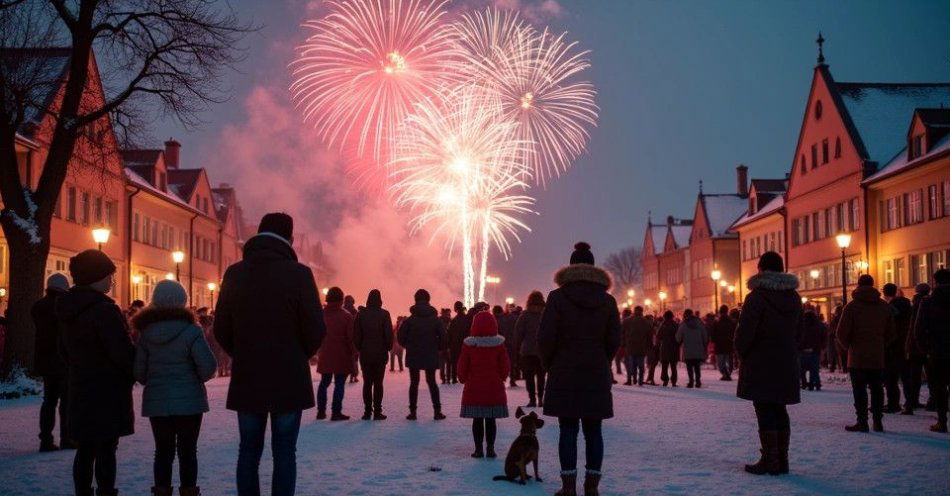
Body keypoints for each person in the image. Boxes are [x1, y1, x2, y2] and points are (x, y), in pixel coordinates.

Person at [213, 213, 326, 496]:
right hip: (289, 376)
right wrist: (298, 355)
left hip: (248, 376)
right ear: (290, 238)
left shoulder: (235, 273)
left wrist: (243, 353)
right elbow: (315, 328)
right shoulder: (300, 275)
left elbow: (221, 328)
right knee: (285, 450)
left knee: (248, 450)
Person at [538, 242, 620, 496]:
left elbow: (545, 337)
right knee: (594, 431)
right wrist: (602, 360)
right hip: (596, 371)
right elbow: (614, 339)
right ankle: (592, 487)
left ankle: (568, 486)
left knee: (568, 429)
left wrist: (551, 363)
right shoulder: (607, 301)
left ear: (571, 267)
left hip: (564, 370)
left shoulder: (557, 298)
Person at [57, 250, 135, 495]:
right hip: (107, 390)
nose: (112, 281)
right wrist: (132, 370)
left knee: (85, 449)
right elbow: (121, 352)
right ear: (96, 277)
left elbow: (62, 350)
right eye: (109, 276)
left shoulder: (67, 308)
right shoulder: (104, 310)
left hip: (80, 386)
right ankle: (105, 491)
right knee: (106, 449)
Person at [133, 280, 217, 496]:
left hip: (158, 401)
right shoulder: (192, 330)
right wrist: (194, 379)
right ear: (183, 301)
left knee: (163, 451)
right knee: (188, 450)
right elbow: (208, 367)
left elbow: (139, 373)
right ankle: (188, 491)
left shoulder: (146, 333)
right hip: (190, 401)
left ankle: (161, 491)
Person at [735, 252, 802, 476]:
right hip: (786, 361)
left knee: (764, 407)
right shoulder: (794, 297)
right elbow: (799, 331)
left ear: (761, 269)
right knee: (780, 408)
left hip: (760, 361)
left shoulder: (756, 297)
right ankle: (782, 460)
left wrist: (742, 352)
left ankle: (769, 460)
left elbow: (745, 332)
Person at [837, 274, 896, 433]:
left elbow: (841, 333)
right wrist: (881, 345)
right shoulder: (884, 306)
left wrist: (849, 347)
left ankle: (862, 422)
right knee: (877, 389)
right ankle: (878, 421)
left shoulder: (851, 307)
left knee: (859, 390)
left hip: (857, 357)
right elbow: (892, 332)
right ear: (873, 285)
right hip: (877, 356)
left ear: (858, 285)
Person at [459, 311, 511, 458]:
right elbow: (505, 366)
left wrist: (462, 378)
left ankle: (478, 449)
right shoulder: (499, 345)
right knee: (490, 420)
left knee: (477, 420)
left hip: (474, 388)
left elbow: (462, 366)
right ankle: (490, 448)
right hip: (494, 388)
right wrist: (502, 377)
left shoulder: (469, 345)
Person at [33, 272, 73, 452]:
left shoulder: (38, 306)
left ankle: (45, 439)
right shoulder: (64, 307)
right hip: (63, 361)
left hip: (45, 360)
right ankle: (67, 438)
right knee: (66, 402)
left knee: (49, 401)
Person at [398, 289, 447, 420]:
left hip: (413, 354)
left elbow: (400, 337)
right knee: (432, 382)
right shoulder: (435, 319)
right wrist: (438, 348)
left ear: (415, 300)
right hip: (431, 353)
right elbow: (443, 337)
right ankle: (437, 411)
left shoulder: (410, 320)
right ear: (428, 300)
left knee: (414, 383)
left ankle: (413, 412)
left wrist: (408, 345)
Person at [915, 269, 950, 433]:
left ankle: (942, 422)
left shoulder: (928, 302)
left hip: (937, 351)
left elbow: (919, 329)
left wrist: (925, 349)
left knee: (940, 387)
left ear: (935, 282)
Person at [316, 287, 356, 421]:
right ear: (341, 299)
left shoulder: (321, 315)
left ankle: (321, 411)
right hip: (342, 355)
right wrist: (354, 353)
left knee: (324, 382)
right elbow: (351, 338)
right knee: (339, 384)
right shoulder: (346, 316)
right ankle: (336, 412)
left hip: (325, 354)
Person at [353, 289, 394, 420]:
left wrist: (361, 347)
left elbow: (356, 335)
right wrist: (388, 347)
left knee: (367, 383)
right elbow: (389, 335)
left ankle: (367, 412)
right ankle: (377, 411)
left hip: (365, 354)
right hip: (380, 354)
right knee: (378, 383)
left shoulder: (361, 314)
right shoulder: (384, 314)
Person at [881, 283, 912, 413]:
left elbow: (887, 328)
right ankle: (910, 404)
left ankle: (893, 403)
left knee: (891, 378)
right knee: (906, 377)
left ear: (884, 293)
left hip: (893, 346)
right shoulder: (908, 305)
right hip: (906, 345)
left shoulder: (889, 308)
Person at [903, 283, 931, 414]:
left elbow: (912, 327)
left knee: (914, 376)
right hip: (928, 345)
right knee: (931, 375)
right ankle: (933, 400)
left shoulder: (914, 305)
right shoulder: (930, 304)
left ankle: (911, 401)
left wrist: (908, 345)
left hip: (914, 346)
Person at [514, 291, 546, 407]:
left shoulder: (525, 315)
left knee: (529, 377)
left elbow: (518, 332)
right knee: (541, 376)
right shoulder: (546, 314)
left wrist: (517, 347)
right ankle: (541, 398)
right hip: (543, 351)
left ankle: (532, 399)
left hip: (527, 351)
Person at [676, 309, 708, 388]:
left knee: (689, 366)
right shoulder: (700, 323)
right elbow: (705, 336)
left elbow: (678, 337)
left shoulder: (683, 324)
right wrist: (704, 344)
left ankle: (691, 381)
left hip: (688, 349)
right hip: (698, 348)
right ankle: (698, 381)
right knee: (697, 366)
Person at [622, 306, 652, 386]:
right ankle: (640, 380)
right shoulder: (646, 322)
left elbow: (622, 332)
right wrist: (649, 345)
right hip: (642, 346)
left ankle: (632, 378)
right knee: (641, 364)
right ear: (642, 311)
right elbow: (649, 335)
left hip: (630, 345)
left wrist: (623, 342)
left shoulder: (627, 320)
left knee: (632, 363)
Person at [798, 310, 824, 391]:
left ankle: (804, 383)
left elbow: (798, 337)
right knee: (814, 369)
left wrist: (799, 347)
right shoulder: (819, 325)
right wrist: (821, 347)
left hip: (803, 350)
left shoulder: (801, 325)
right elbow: (823, 337)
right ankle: (814, 384)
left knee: (802, 369)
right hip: (815, 350)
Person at [711, 305, 736, 381]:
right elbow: (735, 333)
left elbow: (713, 335)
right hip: (729, 345)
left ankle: (725, 373)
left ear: (720, 311)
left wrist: (714, 340)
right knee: (729, 360)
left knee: (721, 362)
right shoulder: (732, 322)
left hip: (719, 346)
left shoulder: (716, 322)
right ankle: (728, 373)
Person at [446, 302, 468, 384]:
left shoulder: (454, 320)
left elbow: (449, 334)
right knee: (464, 362)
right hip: (465, 344)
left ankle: (454, 378)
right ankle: (464, 377)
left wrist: (448, 345)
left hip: (454, 345)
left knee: (454, 363)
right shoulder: (467, 319)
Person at [657, 311, 680, 387]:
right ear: (672, 316)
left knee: (664, 365)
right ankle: (674, 381)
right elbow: (679, 337)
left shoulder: (663, 325)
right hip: (674, 347)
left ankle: (665, 380)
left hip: (665, 347)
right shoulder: (676, 325)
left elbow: (658, 336)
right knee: (673, 366)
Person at [439, 308, 453, 384]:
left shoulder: (438, 321)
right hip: (448, 346)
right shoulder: (450, 321)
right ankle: (447, 378)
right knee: (448, 363)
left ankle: (443, 378)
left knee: (442, 363)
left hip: (441, 346)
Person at [645, 314, 659, 385]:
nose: (652, 321)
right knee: (652, 363)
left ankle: (649, 378)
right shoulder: (650, 328)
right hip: (651, 347)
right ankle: (650, 379)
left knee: (652, 363)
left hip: (651, 347)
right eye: (651, 319)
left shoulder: (651, 327)